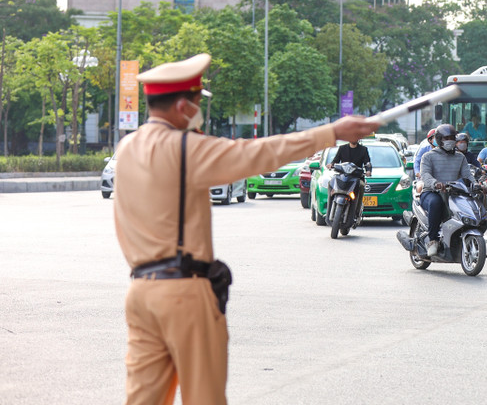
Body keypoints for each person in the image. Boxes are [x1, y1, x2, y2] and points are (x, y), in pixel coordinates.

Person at [114, 54, 379, 404]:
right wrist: (331, 133)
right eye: (196, 103)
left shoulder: (127, 148)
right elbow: (258, 153)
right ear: (181, 106)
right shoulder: (185, 148)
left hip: (140, 293)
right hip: (182, 293)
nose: (199, 111)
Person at [419, 124, 474, 257]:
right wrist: (435, 184)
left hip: (453, 193)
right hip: (431, 192)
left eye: (452, 138)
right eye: (446, 138)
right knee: (436, 203)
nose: (450, 140)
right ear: (439, 139)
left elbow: (467, 175)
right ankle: (433, 240)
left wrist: (477, 184)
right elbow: (425, 175)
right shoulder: (428, 156)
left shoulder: (460, 157)